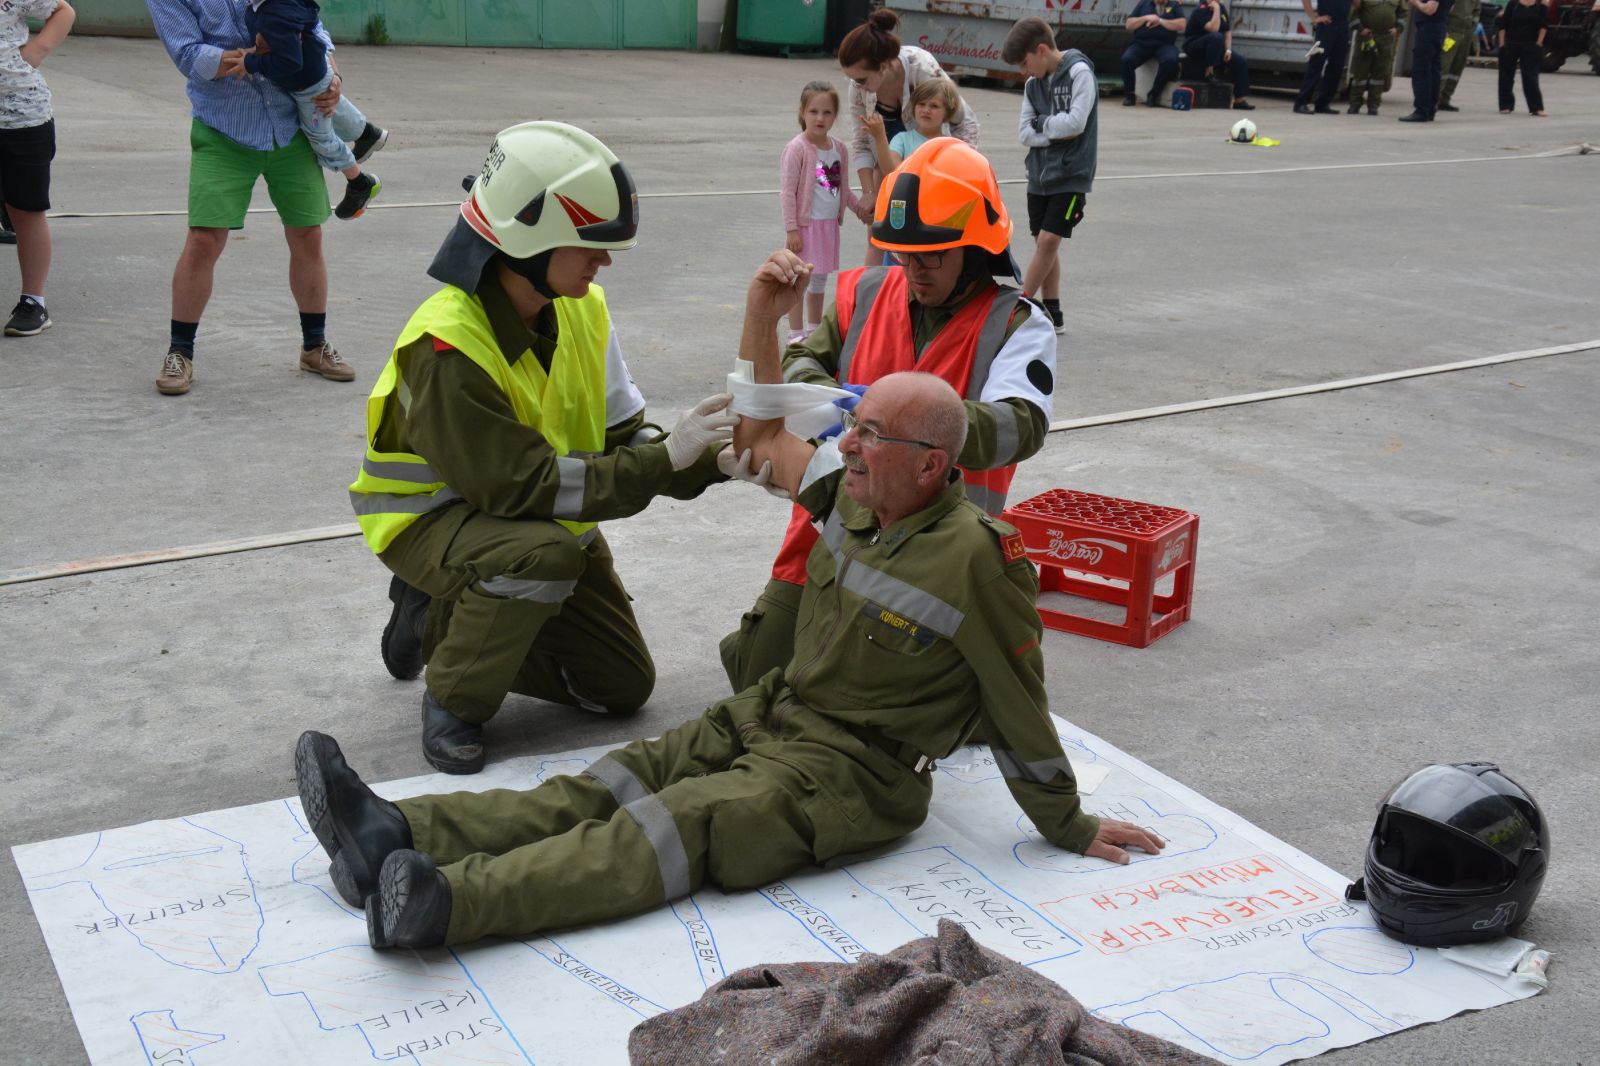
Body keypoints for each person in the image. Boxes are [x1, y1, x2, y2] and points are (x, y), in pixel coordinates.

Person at [296, 355, 1165, 948]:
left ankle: (450, 904)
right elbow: (759, 436)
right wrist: (763, 309)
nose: (849, 445)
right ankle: (395, 834)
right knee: (612, 782)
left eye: (872, 435)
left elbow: (1018, 704)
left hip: (854, 778)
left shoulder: (979, 561)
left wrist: (1068, 821)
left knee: (668, 824)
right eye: (855, 428)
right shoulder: (856, 497)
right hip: (772, 715)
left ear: (933, 466)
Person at [350, 122, 740, 777]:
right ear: (524, 241)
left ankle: (445, 615)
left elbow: (623, 436)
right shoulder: (448, 347)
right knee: (541, 557)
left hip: (529, 514)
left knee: (620, 687)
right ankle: (454, 697)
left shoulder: (582, 308)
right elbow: (519, 487)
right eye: (589, 245)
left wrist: (711, 460)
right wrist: (664, 461)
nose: (604, 261)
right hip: (433, 520)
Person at [718, 138, 1058, 694]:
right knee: (759, 677)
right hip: (831, 526)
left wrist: (897, 420)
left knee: (902, 704)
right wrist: (838, 405)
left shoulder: (1018, 324)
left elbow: (1019, 428)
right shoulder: (865, 292)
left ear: (976, 247)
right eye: (903, 253)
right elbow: (803, 362)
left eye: (932, 255)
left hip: (938, 556)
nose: (914, 269)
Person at [148, 0, 353, 395]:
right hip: (223, 129)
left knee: (308, 234)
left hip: (291, 124)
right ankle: (180, 352)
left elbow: (313, 27)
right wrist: (254, 59)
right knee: (204, 239)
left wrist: (331, 75)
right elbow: (188, 54)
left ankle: (314, 346)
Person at [218, 0, 387, 220]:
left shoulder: (274, 14)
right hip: (316, 72)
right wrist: (257, 50)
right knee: (331, 103)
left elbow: (290, 61)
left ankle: (360, 184)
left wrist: (252, 63)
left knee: (320, 138)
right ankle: (368, 134)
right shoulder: (276, 6)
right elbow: (306, 26)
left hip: (307, 86)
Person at [838, 8, 979, 266]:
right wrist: (869, 192)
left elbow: (965, 121)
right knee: (878, 236)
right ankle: (877, 289)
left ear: (883, 66)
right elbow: (861, 142)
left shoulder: (922, 67)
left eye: (861, 79)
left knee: (923, 245)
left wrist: (959, 173)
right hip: (888, 165)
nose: (856, 86)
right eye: (852, 79)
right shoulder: (857, 88)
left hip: (930, 173)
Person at [1002, 16, 1097, 335]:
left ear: (1042, 50)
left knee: (1048, 241)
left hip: (1071, 175)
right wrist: (1055, 130)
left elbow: (1077, 124)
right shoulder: (1033, 85)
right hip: (1039, 176)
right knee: (1044, 246)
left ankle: (1020, 308)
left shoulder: (1079, 73)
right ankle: (1053, 313)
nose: (1023, 72)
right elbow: (1024, 133)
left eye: (1024, 63)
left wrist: (1043, 123)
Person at [0, 0, 73, 337]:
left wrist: (36, 51)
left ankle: (33, 302)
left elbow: (63, 11)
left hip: (22, 117)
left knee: (26, 211)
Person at [779, 81, 867, 345]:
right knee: (800, 280)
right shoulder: (797, 148)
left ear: (835, 115)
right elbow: (787, 192)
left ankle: (814, 330)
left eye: (827, 112)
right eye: (813, 111)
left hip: (828, 227)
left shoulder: (839, 149)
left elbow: (841, 189)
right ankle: (795, 333)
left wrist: (860, 210)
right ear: (802, 112)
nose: (820, 118)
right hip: (806, 228)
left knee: (819, 280)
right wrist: (792, 229)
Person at [861, 76, 960, 176]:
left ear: (948, 112)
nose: (926, 110)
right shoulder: (902, 139)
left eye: (934, 106)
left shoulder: (952, 146)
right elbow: (890, 171)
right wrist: (880, 137)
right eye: (921, 104)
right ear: (913, 107)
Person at [1182, 0, 1257, 109]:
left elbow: (1227, 31)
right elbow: (1214, 29)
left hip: (1215, 47)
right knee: (1216, 36)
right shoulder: (1200, 9)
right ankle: (1209, 70)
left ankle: (1239, 100)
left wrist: (1228, 50)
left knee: (1240, 62)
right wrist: (1216, 10)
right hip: (1195, 46)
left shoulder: (1221, 8)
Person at [1119, 0, 1186, 108]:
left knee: (1171, 60)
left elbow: (1181, 24)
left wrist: (1160, 21)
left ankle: (1154, 94)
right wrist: (1145, 18)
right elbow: (1129, 25)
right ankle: (1129, 94)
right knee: (1127, 60)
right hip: (1142, 44)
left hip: (1164, 44)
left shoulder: (1174, 5)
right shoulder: (1143, 4)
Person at [1347, 0, 1408, 115]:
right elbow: (1354, 13)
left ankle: (1373, 104)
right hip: (1366, 37)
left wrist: (1398, 29)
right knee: (1360, 72)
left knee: (1379, 73)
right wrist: (1361, 29)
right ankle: (1355, 103)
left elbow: (1403, 13)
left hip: (1386, 39)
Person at [1400, 0, 1456, 121]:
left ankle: (1422, 111)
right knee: (1433, 71)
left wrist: (1414, 2)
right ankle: (1430, 109)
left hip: (1429, 28)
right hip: (1438, 27)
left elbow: (1429, 9)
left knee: (1422, 70)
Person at [1295, 0, 1354, 114]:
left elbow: (1357, 4)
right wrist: (1314, 18)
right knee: (1316, 64)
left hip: (1343, 26)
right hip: (1327, 25)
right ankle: (1301, 103)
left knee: (1337, 66)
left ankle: (1323, 103)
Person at [1496, 0, 1549, 115]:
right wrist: (1502, 45)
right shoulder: (1513, 4)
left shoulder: (1540, 6)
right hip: (1511, 44)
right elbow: (1503, 25)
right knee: (1506, 76)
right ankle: (1505, 105)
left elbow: (1544, 26)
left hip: (1531, 45)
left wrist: (1539, 43)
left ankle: (1536, 107)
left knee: (1531, 77)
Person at [1436, 0, 1483, 111]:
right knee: (1444, 65)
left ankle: (1445, 99)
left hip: (1466, 34)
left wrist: (1471, 28)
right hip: (1451, 33)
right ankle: (1435, 98)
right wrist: (1444, 29)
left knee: (1457, 67)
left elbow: (1477, 11)